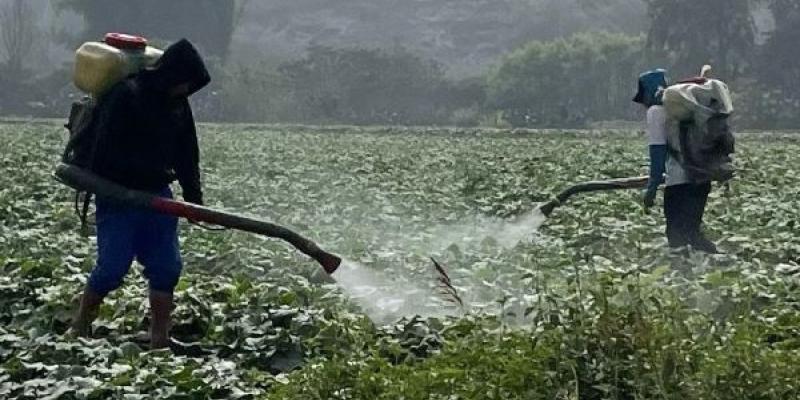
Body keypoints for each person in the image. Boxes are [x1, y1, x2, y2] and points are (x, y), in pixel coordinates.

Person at [72, 39, 211, 349]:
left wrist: (193, 199)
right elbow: (104, 151)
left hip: (157, 196)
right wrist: (132, 184)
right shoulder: (127, 95)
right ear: (172, 74)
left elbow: (187, 153)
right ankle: (80, 325)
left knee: (166, 266)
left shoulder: (178, 104)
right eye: (185, 83)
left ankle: (159, 338)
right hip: (119, 195)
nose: (186, 90)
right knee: (112, 266)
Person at [633, 69, 717, 254]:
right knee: (693, 234)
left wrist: (652, 190)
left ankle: (686, 274)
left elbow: (658, 153)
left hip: (679, 183)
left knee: (677, 239)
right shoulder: (685, 108)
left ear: (648, 92)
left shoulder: (656, 112)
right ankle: (713, 266)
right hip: (701, 178)